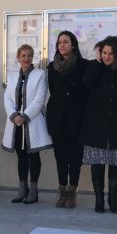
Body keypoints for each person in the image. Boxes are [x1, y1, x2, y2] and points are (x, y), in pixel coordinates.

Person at [80, 36, 117, 214]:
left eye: (111, 53)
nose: (107, 56)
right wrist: (97, 62)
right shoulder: (94, 67)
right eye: (104, 53)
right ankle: (99, 200)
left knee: (116, 163)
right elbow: (86, 83)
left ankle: (113, 199)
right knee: (97, 163)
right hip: (96, 124)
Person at [2, 44, 52, 204]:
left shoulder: (40, 75)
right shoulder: (11, 76)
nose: (26, 58)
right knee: (21, 156)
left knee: (33, 156)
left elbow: (40, 98)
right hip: (15, 124)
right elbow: (7, 98)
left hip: (32, 122)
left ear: (32, 57)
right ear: (18, 57)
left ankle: (34, 190)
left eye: (29, 55)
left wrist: (25, 116)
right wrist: (14, 115)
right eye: (23, 55)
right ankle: (22, 189)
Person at [46, 30, 89, 208]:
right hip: (57, 117)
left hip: (76, 117)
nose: (62, 45)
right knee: (60, 156)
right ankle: (62, 190)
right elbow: (53, 90)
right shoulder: (51, 66)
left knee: (75, 156)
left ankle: (72, 192)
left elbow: (86, 92)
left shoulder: (83, 65)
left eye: (65, 42)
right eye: (59, 42)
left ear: (73, 45)